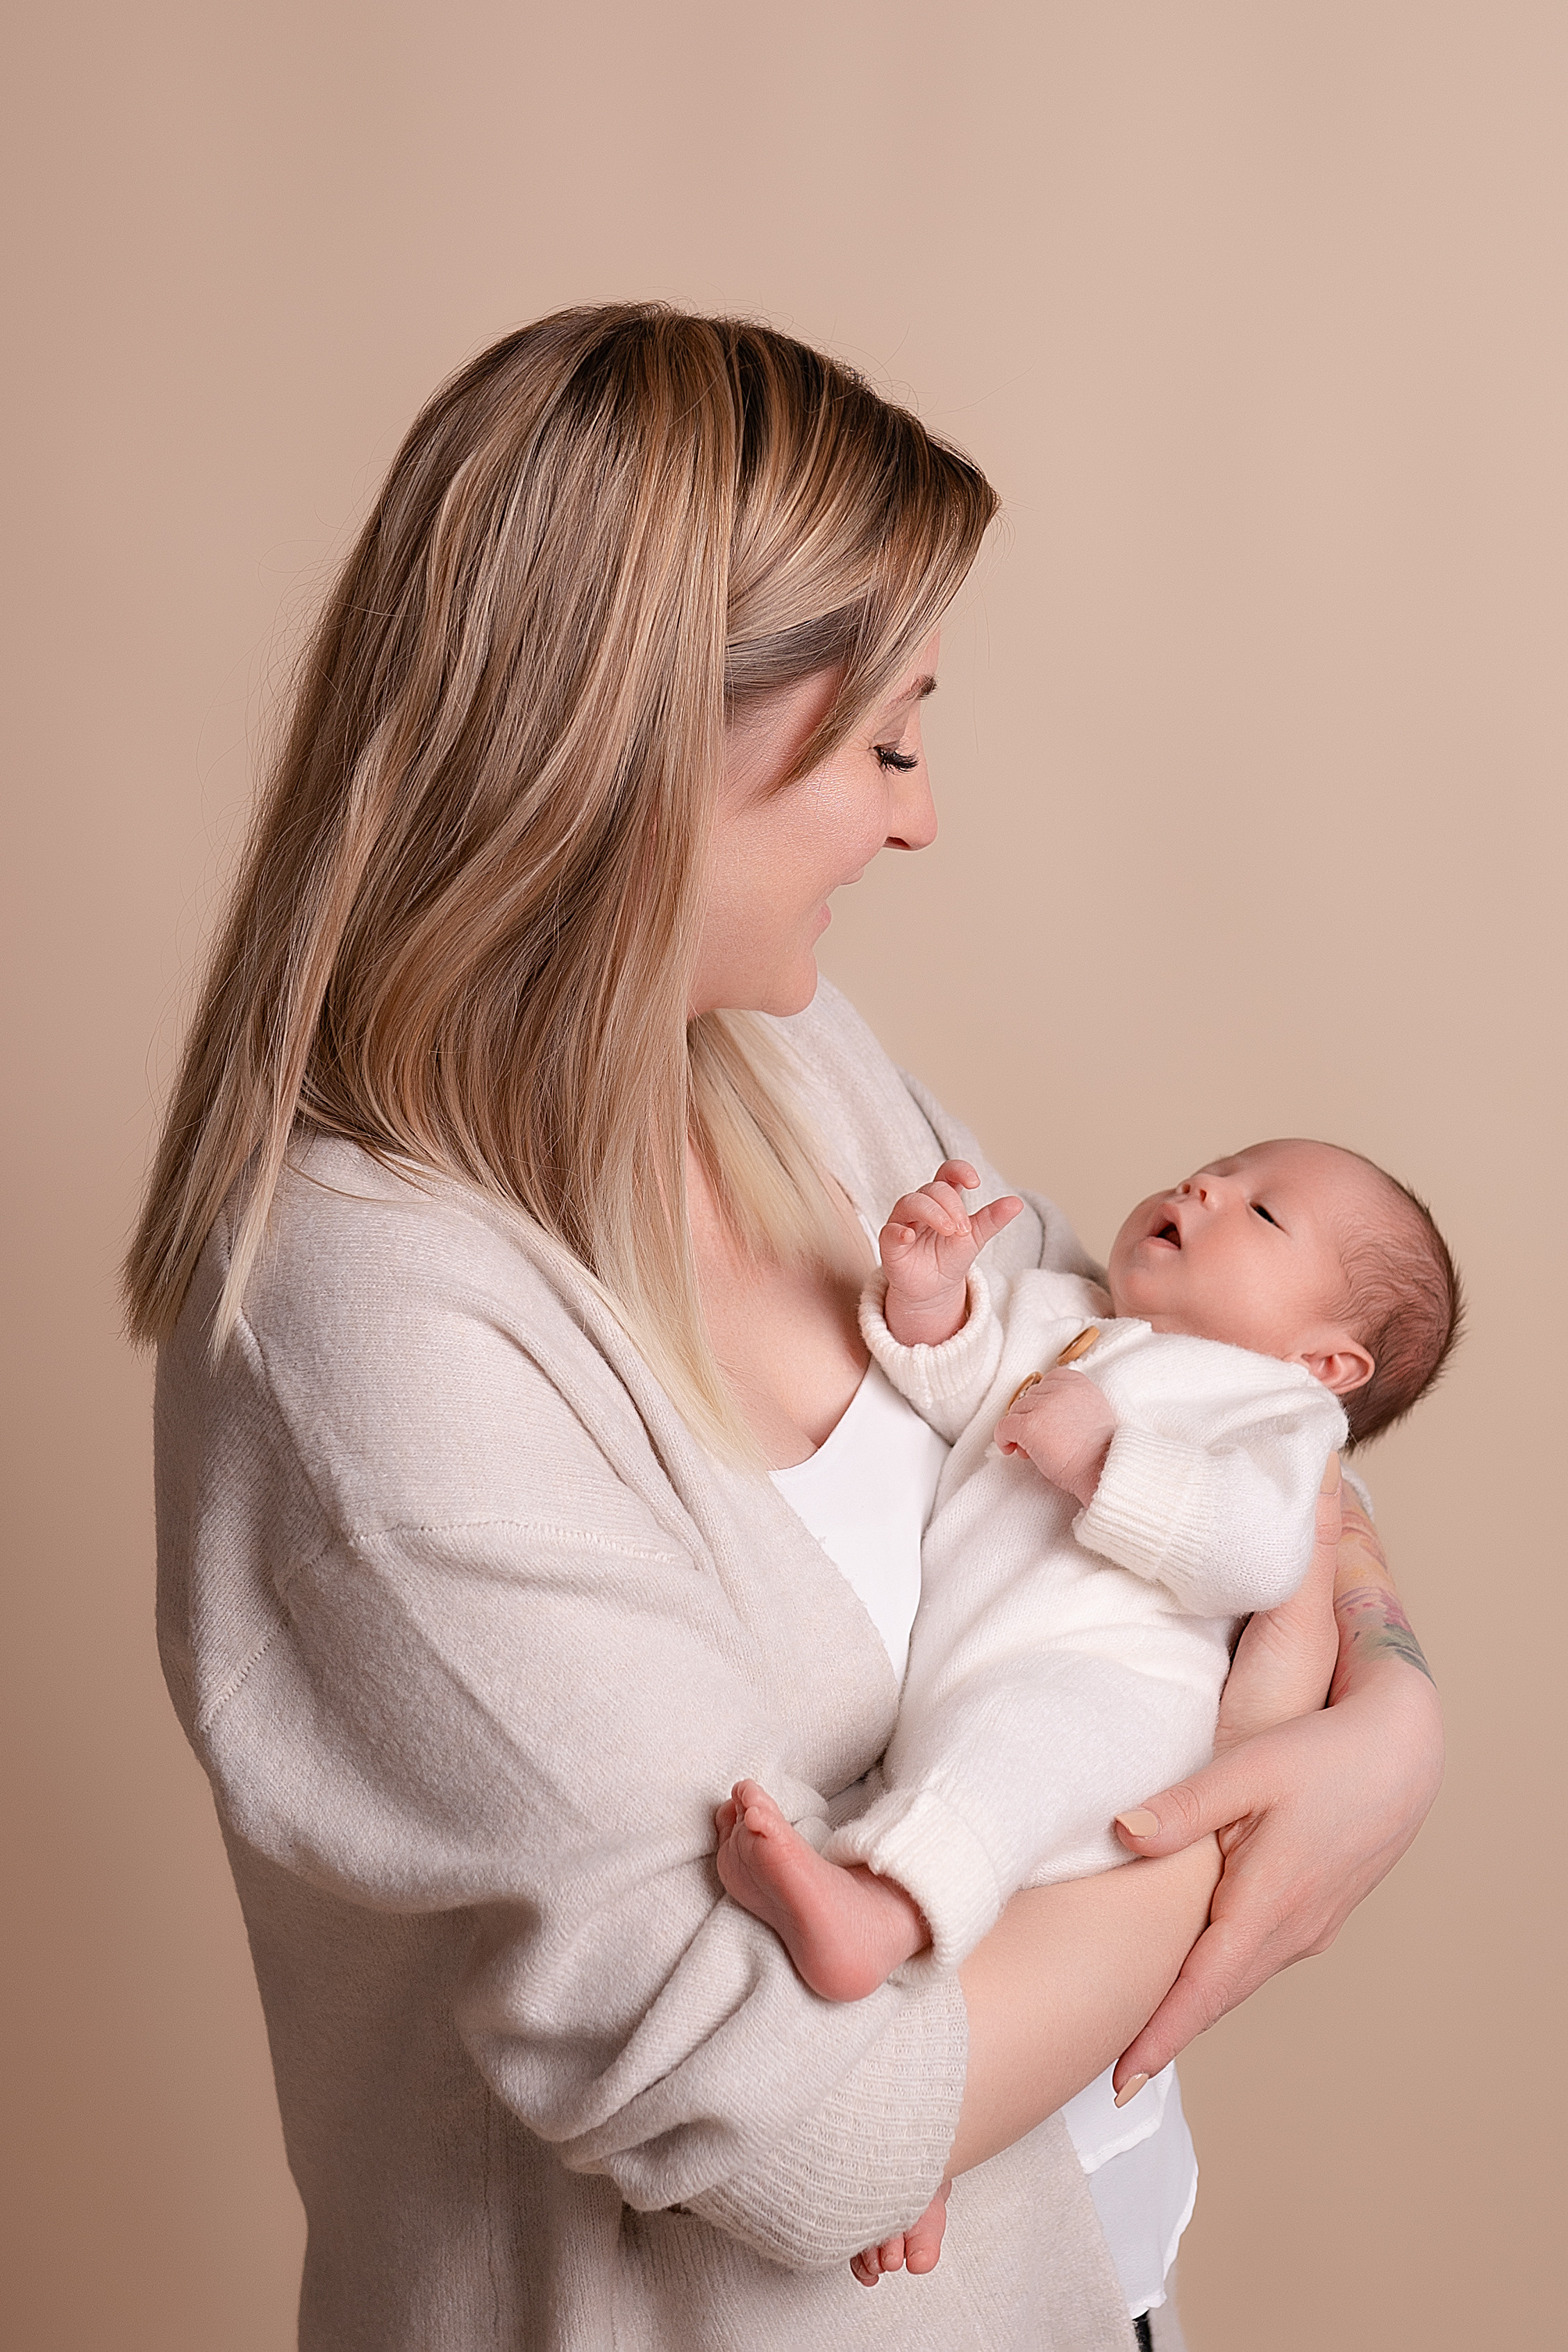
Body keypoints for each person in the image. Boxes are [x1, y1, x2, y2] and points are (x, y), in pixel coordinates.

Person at [124, 304, 1443, 2352]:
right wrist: (1295, 1767)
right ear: (646, 749)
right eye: (887, 742)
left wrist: (1398, 1698)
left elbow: (1220, 1397)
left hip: (1090, 2282)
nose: (919, 819)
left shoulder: (789, 1060)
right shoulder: (373, 1324)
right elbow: (811, 2141)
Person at [715, 1140, 1460, 2292]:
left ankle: (872, 1919)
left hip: (1119, 1700)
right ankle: (924, 2147)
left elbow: (1261, 1552)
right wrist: (931, 1299)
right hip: (966, 1679)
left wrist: (1107, 1458)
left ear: (1325, 1362)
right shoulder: (1064, 1314)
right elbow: (954, 1389)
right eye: (1216, 1169)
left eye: (1262, 1215)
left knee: (1008, 1781)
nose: (1204, 1189)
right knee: (963, 1823)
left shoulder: (1272, 1415)